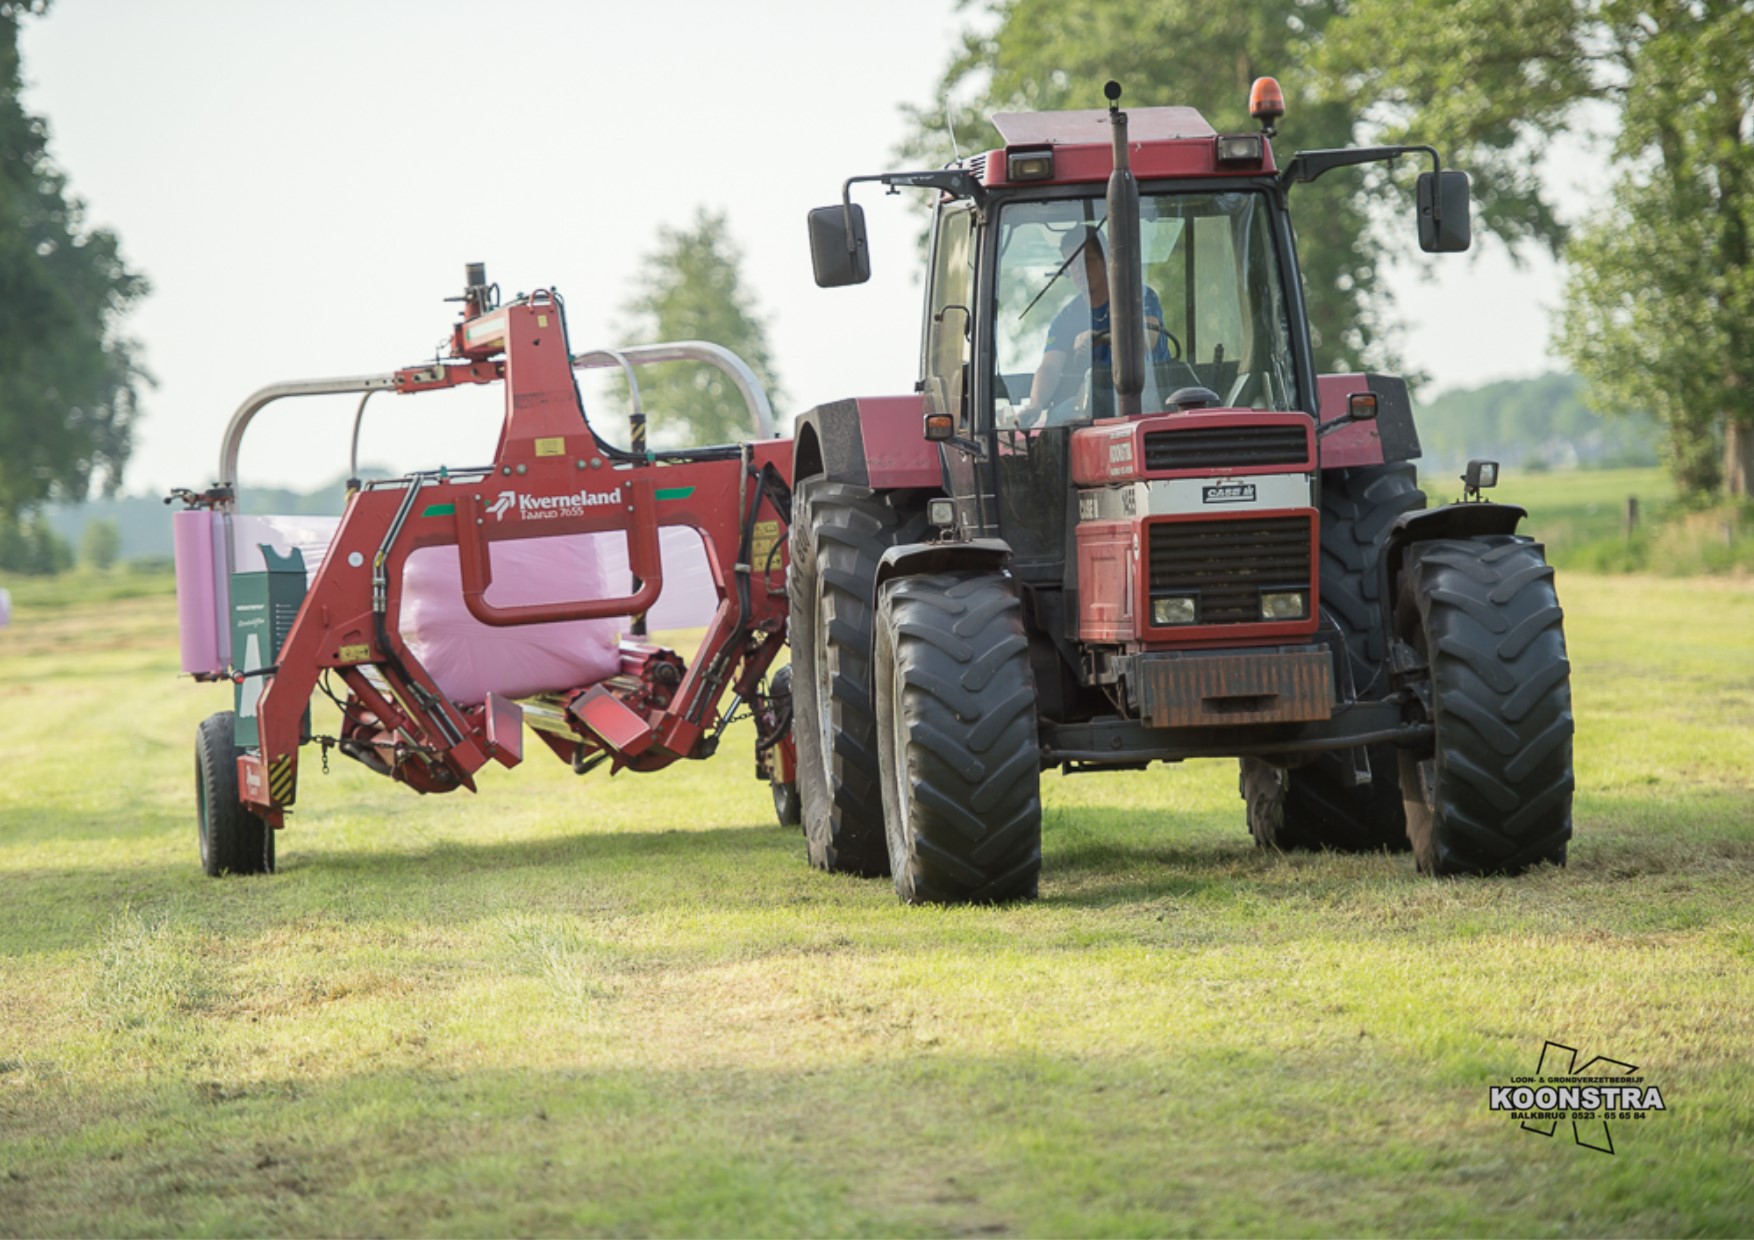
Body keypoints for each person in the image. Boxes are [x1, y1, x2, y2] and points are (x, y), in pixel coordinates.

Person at [1018, 226, 1171, 426]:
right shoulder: (1067, 318)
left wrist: (1100, 338)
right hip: (1095, 409)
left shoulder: (1139, 297)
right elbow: (1050, 366)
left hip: (1151, 402)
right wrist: (1036, 404)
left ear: (1106, 259)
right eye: (1072, 263)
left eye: (1086, 260)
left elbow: (1148, 339)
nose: (1078, 269)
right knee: (1058, 421)